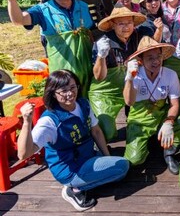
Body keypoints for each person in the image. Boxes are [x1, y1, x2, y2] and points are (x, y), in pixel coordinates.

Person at [17, 70, 129, 212]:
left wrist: (106, 156)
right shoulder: (49, 121)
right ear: (53, 93)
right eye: (63, 90)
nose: (70, 93)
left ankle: (87, 178)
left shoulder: (83, 104)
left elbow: (96, 131)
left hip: (87, 156)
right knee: (122, 167)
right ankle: (74, 189)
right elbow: (23, 154)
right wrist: (27, 122)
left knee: (116, 168)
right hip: (71, 169)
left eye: (72, 87)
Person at [3, 0, 94, 96]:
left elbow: (92, 35)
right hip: (63, 80)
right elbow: (19, 20)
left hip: (89, 75)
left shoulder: (83, 7)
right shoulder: (42, 11)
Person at [123, 36, 180, 174]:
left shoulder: (170, 74)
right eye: (150, 58)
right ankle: (149, 144)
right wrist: (129, 78)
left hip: (160, 114)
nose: (156, 61)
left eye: (159, 56)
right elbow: (129, 102)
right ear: (140, 60)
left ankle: (169, 153)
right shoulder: (135, 74)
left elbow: (174, 104)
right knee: (134, 160)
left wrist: (169, 122)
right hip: (139, 119)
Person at [88, 4, 148, 141]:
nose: (126, 27)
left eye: (129, 23)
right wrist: (101, 55)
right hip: (105, 91)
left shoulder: (139, 38)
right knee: (107, 131)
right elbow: (99, 76)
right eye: (121, 23)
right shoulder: (103, 42)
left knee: (143, 122)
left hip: (130, 85)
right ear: (113, 25)